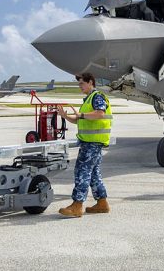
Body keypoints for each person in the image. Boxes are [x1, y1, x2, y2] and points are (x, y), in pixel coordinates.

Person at [56, 72, 112, 218]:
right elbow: (81, 120)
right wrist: (66, 116)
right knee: (93, 174)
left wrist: (80, 115)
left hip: (92, 143)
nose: (79, 86)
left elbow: (100, 114)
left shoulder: (97, 97)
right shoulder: (88, 100)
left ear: (90, 83)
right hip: (91, 142)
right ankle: (102, 203)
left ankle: (77, 205)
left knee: (82, 172)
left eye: (81, 83)